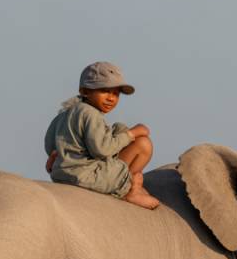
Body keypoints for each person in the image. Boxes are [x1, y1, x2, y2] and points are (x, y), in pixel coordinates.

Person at [44, 62, 159, 209]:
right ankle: (130, 189)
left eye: (116, 93)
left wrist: (55, 155)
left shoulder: (65, 113)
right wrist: (131, 134)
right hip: (87, 176)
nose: (111, 98)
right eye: (105, 91)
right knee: (144, 144)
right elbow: (102, 150)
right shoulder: (90, 114)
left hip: (61, 174)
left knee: (119, 130)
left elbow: (49, 144)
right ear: (85, 91)